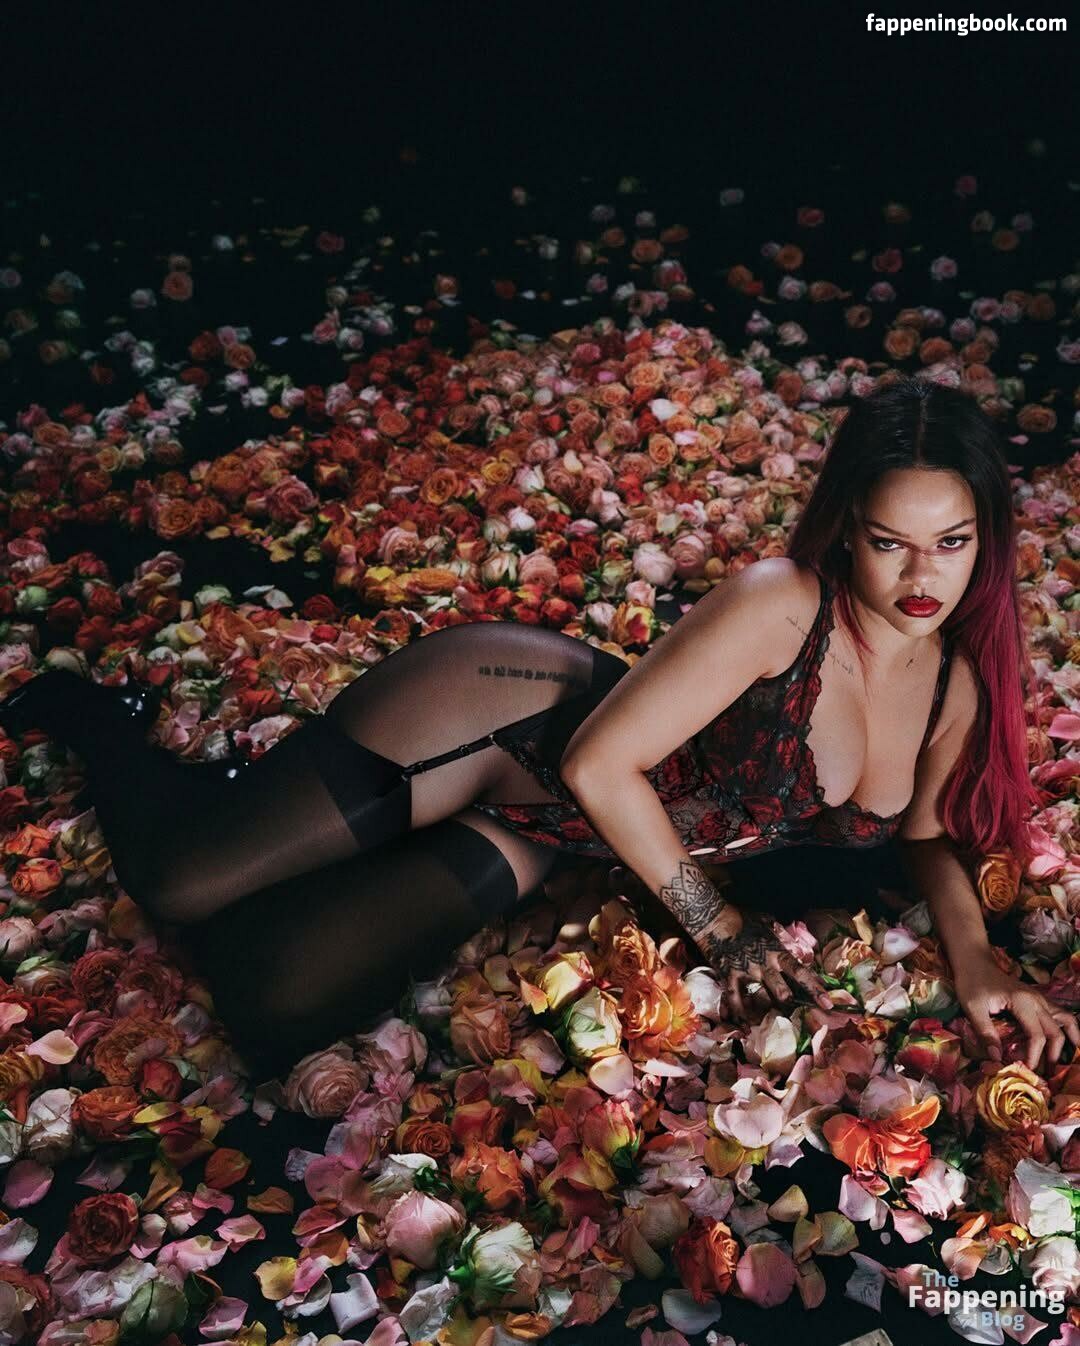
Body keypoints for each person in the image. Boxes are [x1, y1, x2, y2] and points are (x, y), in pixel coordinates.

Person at [1, 376, 1075, 1082]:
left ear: (986, 537)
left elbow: (927, 839)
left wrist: (978, 961)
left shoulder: (953, 684)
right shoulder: (782, 604)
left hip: (557, 832)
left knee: (272, 1001)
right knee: (181, 881)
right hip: (503, 724)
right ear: (847, 527)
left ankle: (297, 823)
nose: (922, 575)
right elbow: (598, 760)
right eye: (890, 542)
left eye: (952, 542)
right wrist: (724, 931)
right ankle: (102, 717)